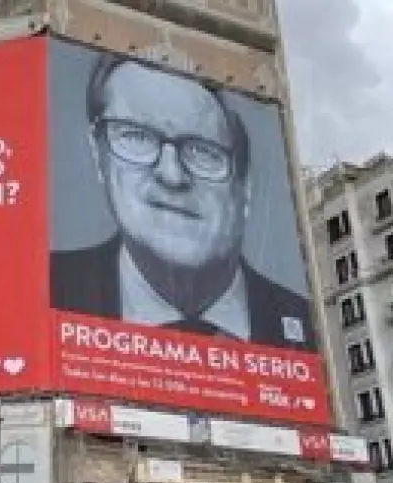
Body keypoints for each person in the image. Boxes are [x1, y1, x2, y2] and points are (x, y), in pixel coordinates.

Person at [50, 54, 313, 350]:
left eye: (202, 151)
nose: (172, 175)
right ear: (99, 156)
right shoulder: (42, 289)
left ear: (245, 185)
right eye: (137, 136)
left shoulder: (311, 331)